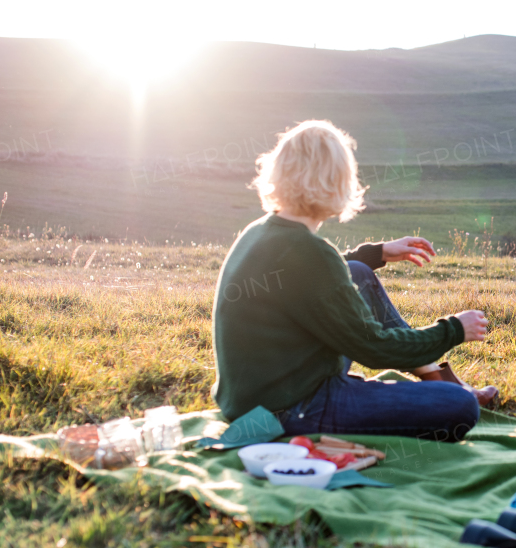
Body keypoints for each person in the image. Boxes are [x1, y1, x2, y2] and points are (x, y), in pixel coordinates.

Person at [211, 119, 496, 441]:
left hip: (248, 400)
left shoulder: (260, 230)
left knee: (357, 274)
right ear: (339, 181)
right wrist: (453, 329)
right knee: (457, 408)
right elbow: (374, 348)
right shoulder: (310, 252)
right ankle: (449, 390)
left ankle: (438, 378)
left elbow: (311, 277)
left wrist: (377, 254)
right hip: (290, 408)